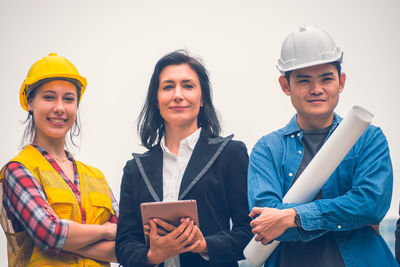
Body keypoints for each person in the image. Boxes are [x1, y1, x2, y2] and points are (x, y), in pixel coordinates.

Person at [247, 26, 398, 266]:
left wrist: (292, 215)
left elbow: (371, 204)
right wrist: (345, 214)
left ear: (341, 82)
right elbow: (266, 225)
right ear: (285, 86)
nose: (316, 89)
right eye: (304, 80)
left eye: (326, 78)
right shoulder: (267, 150)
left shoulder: (368, 138)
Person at [116, 50, 252, 267]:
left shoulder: (230, 154)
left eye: (188, 86)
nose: (177, 95)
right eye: (168, 86)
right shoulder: (136, 169)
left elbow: (249, 230)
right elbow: (124, 244)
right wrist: (153, 255)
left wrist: (204, 244)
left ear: (202, 98)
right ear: (156, 100)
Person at [0, 53, 119, 266]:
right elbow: (50, 234)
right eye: (49, 97)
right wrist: (106, 230)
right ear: (30, 102)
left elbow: (123, 244)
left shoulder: (96, 177)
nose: (60, 108)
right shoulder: (19, 170)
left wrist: (69, 240)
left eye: (68, 99)